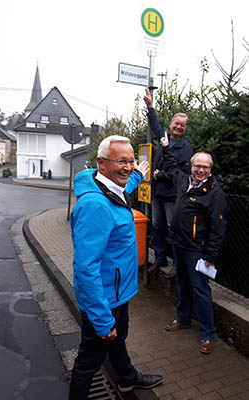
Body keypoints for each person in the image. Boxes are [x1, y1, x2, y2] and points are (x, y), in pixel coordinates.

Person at [69, 135, 163, 399]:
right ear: (101, 163)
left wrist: (137, 174)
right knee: (89, 362)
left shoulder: (109, 190)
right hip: (104, 300)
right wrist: (101, 318)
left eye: (132, 161)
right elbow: (86, 269)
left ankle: (126, 379)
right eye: (122, 161)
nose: (129, 166)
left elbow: (123, 189)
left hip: (117, 292)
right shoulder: (95, 206)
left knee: (118, 339)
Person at [160, 132, 227, 354]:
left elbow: (218, 229)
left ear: (210, 169)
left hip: (197, 250)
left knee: (200, 290)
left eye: (205, 167)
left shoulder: (214, 193)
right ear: (191, 166)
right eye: (197, 166)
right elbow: (169, 162)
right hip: (178, 244)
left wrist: (210, 257)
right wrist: (166, 145)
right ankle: (183, 319)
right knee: (182, 284)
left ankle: (207, 335)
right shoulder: (183, 180)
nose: (200, 170)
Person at [144, 88, 193, 278]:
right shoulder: (163, 137)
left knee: (174, 230)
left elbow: (182, 173)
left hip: (172, 196)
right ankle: (159, 259)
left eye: (182, 125)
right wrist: (150, 107)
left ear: (185, 128)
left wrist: (161, 175)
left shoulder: (185, 148)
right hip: (158, 194)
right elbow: (155, 125)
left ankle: (177, 265)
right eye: (176, 123)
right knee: (158, 228)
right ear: (171, 124)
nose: (179, 127)